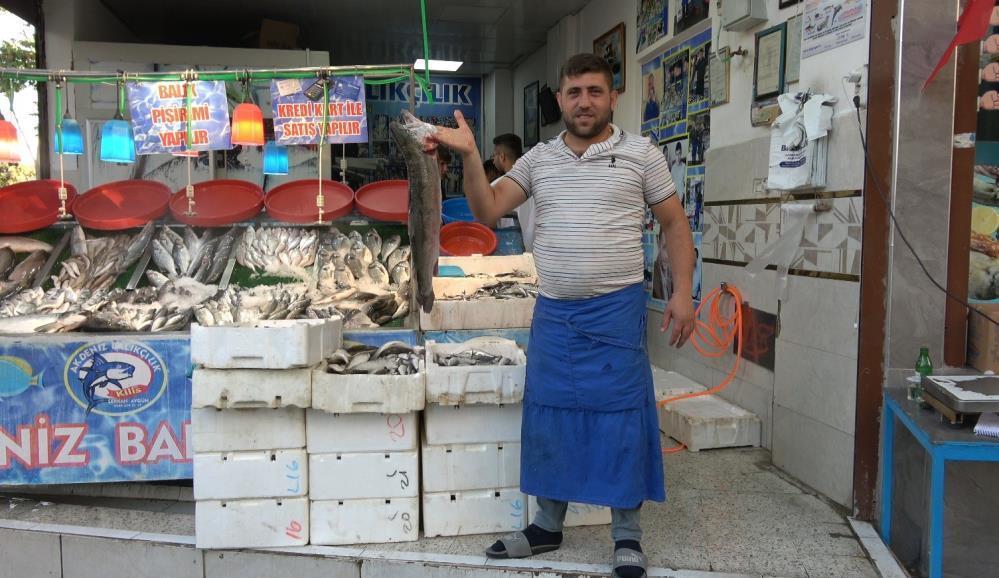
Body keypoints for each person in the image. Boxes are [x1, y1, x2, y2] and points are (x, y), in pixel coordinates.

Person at [432, 53, 695, 578]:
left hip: (616, 313)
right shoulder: (538, 160)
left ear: (613, 97)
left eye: (595, 91)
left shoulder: (642, 155)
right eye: (574, 92)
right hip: (554, 314)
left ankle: (626, 535)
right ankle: (546, 526)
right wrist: (470, 155)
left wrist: (683, 293)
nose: (584, 102)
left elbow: (675, 224)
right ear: (559, 99)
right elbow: (487, 210)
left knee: (620, 419)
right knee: (550, 416)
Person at [491, 133, 532, 250]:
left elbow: (489, 224)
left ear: (502, 156)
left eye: (494, 156)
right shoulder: (536, 182)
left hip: (509, 250)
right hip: (537, 250)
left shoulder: (496, 187)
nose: (493, 161)